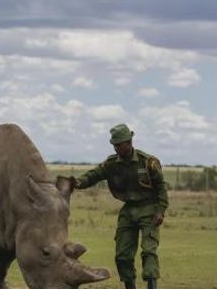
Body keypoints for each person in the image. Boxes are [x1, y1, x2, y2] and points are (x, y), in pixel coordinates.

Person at [70, 123, 169, 289]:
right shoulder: (111, 164)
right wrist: (78, 182)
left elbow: (161, 187)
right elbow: (94, 175)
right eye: (113, 145)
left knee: (149, 251)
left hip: (149, 209)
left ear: (129, 142)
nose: (115, 148)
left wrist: (160, 210)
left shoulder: (147, 162)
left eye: (118, 145)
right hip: (128, 210)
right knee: (122, 256)